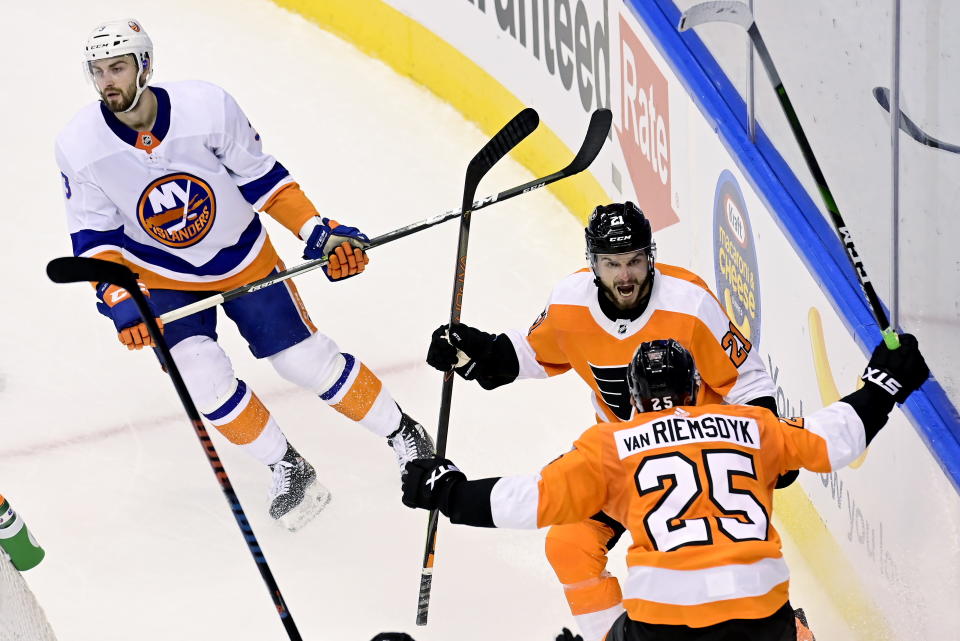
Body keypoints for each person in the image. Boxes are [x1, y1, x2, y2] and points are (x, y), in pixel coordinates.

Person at [55, 19, 435, 531]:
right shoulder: (81, 146)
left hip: (242, 255)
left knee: (303, 361)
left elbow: (262, 179)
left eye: (118, 67)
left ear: (145, 65)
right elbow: (95, 239)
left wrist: (318, 233)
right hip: (160, 277)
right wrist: (120, 299)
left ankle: (403, 432)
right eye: (98, 71)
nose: (108, 82)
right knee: (200, 378)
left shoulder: (206, 108)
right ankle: (287, 466)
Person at [404, 335, 929, 640]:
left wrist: (446, 490)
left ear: (633, 398)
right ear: (696, 389)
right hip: (761, 616)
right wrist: (886, 383)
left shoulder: (611, 443)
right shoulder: (751, 425)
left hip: (665, 627)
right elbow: (833, 440)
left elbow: (530, 500)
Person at [426, 202, 788, 640]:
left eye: (634, 260)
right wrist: (479, 352)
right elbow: (536, 353)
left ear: (650, 256)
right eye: (612, 263)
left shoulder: (690, 304)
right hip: (626, 463)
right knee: (568, 545)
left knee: (718, 568)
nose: (625, 276)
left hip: (699, 464)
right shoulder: (569, 303)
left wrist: (767, 441)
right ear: (592, 263)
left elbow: (747, 379)